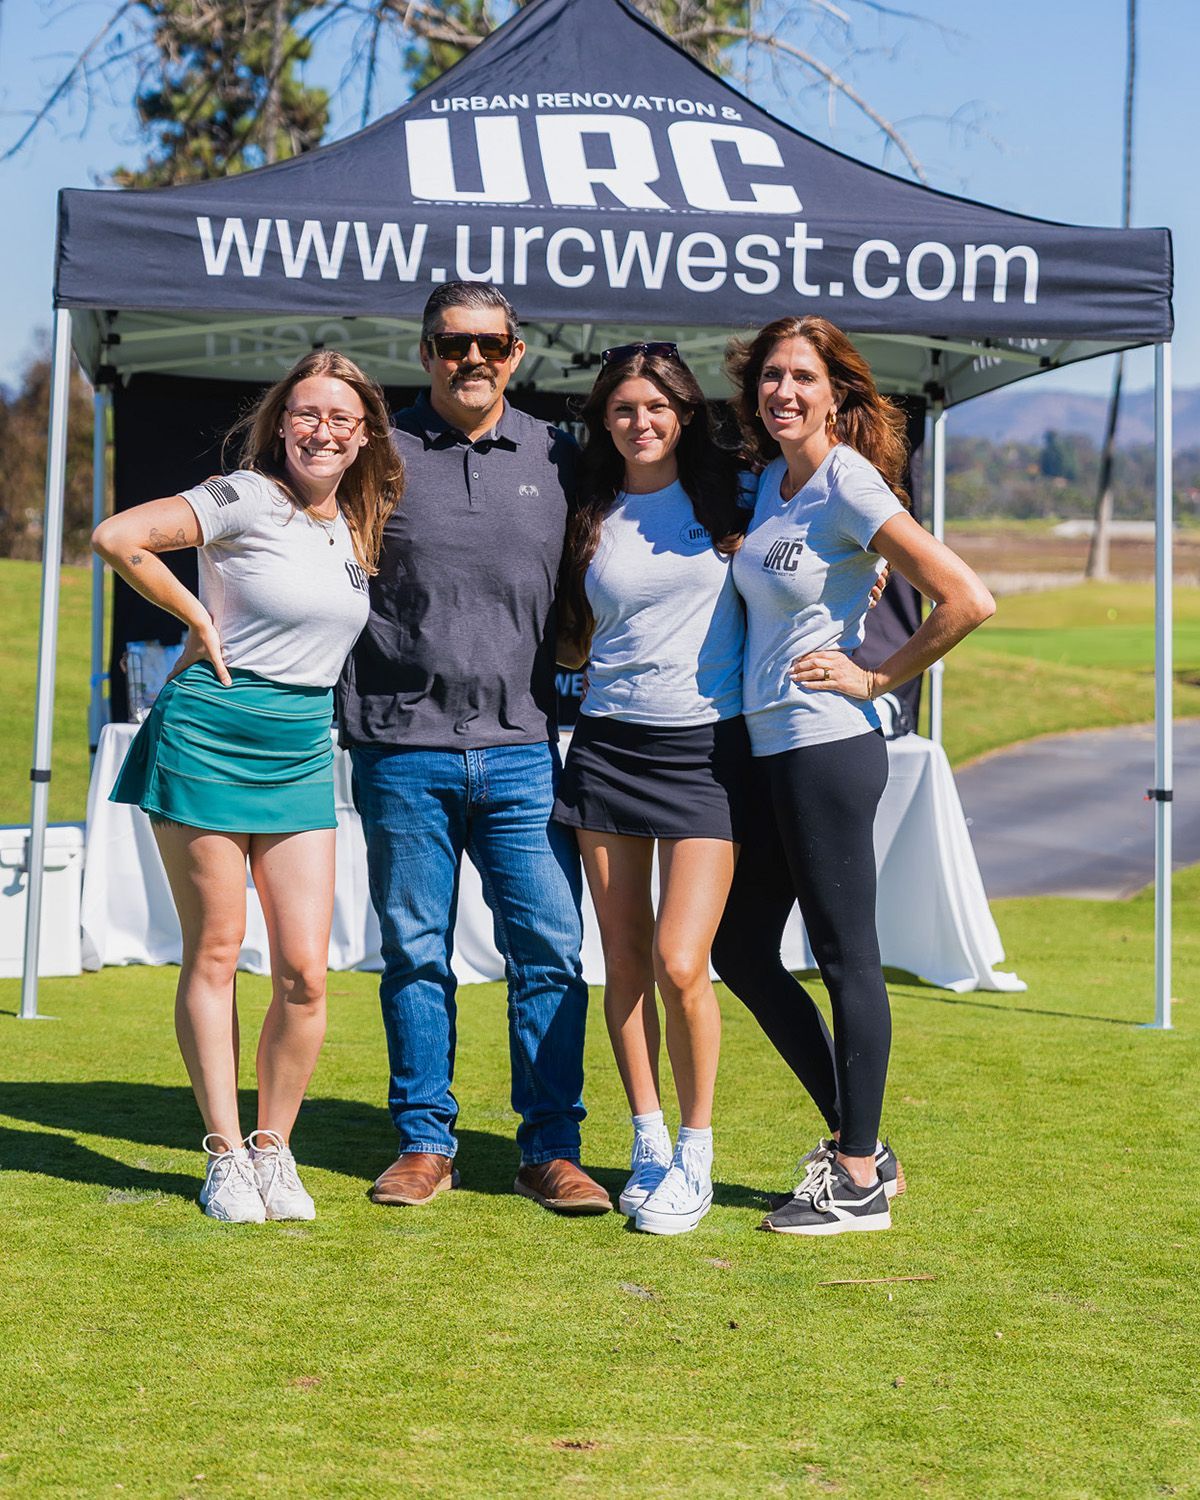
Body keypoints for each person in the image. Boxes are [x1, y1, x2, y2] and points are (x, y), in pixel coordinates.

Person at [93, 350, 402, 1223]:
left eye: (342, 419)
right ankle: (224, 1155)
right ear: (280, 423)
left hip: (302, 745)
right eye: (307, 414)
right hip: (210, 733)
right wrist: (196, 616)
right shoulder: (245, 494)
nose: (323, 430)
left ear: (364, 435)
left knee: (307, 971)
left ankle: (274, 1149)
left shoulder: (354, 520)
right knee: (219, 951)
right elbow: (117, 537)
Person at [711, 315, 996, 1236]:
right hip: (771, 745)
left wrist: (876, 674)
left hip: (828, 742)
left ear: (839, 393)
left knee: (844, 956)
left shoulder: (847, 480)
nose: (783, 392)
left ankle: (859, 1178)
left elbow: (967, 597)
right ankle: (856, 1139)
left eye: (803, 377)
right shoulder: (771, 483)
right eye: (770, 377)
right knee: (742, 949)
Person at [338, 283, 611, 1215]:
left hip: (528, 746)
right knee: (414, 952)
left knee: (551, 951)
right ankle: (424, 1141)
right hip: (400, 749)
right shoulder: (375, 455)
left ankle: (551, 1148)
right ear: (425, 352)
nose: (473, 361)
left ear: (517, 352)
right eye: (454, 344)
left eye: (491, 344)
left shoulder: (560, 454)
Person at [553, 344, 750, 1236]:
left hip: (707, 751)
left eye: (659, 405)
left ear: (686, 412)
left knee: (680, 960)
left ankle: (697, 1155)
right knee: (623, 960)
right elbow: (566, 635)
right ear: (605, 418)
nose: (642, 421)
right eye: (626, 407)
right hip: (607, 749)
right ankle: (647, 1139)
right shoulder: (585, 510)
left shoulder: (735, 500)